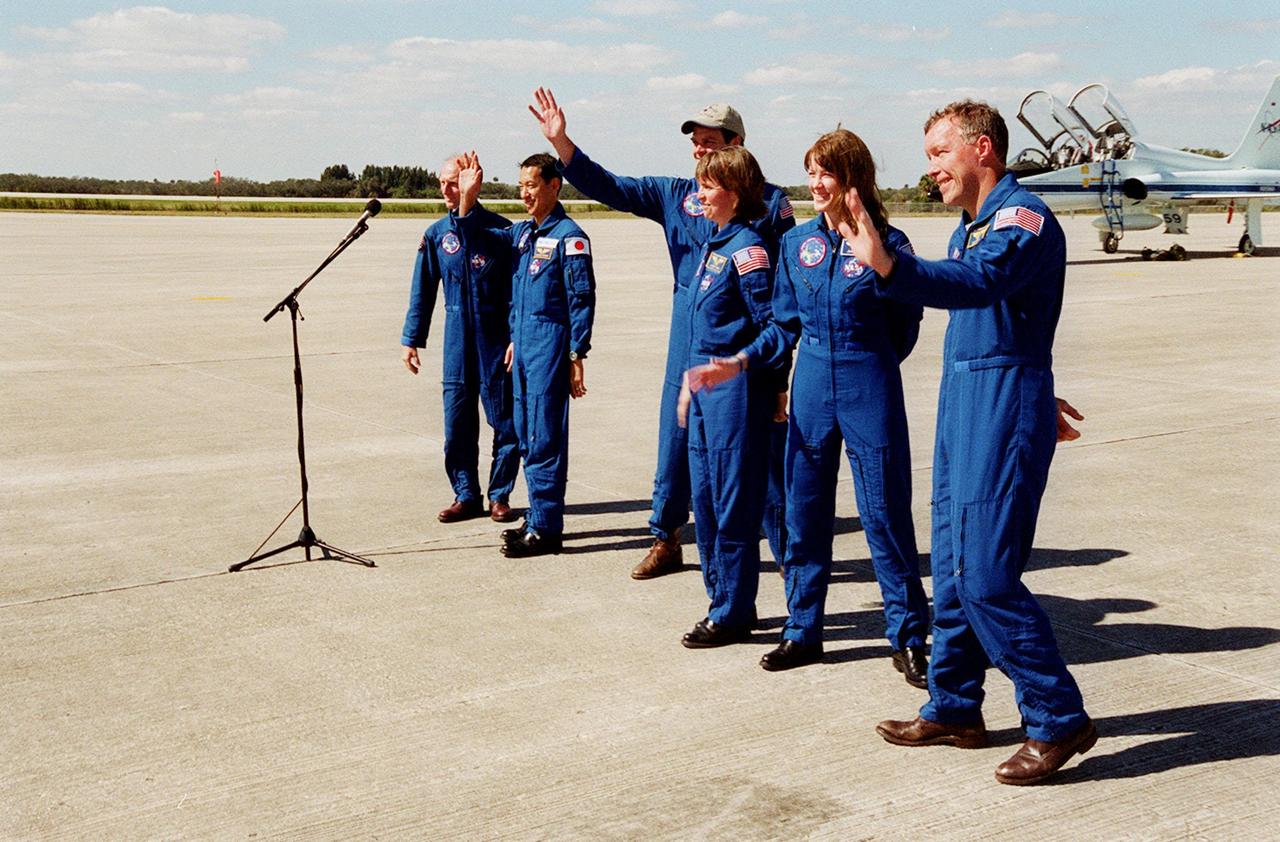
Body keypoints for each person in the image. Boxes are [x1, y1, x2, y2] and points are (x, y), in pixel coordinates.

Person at [839, 100, 1095, 785]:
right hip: (967, 403)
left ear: (982, 150)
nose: (931, 169)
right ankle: (955, 705)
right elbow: (1003, 315)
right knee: (950, 567)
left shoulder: (1022, 219)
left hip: (1000, 407)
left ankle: (1057, 717)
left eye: (938, 153)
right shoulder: (968, 230)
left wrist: (891, 265)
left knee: (985, 575)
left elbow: (982, 285)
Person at [687, 129, 930, 682]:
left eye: (826, 173)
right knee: (804, 514)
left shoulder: (891, 244)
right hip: (813, 387)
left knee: (885, 513)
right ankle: (803, 629)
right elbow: (782, 327)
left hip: (870, 382)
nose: (815, 184)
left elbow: (906, 323)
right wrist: (742, 361)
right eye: (811, 172)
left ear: (854, 178)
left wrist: (870, 359)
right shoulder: (797, 246)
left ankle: (908, 635)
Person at [529, 87, 795, 581]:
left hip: (741, 343)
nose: (698, 149)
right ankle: (666, 537)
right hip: (686, 337)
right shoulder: (675, 194)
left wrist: (778, 375)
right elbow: (609, 185)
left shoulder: (771, 203)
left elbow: (780, 290)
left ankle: (786, 554)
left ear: (738, 143)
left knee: (760, 454)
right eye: (694, 142)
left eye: (709, 140)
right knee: (674, 445)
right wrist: (563, 145)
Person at [456, 151, 596, 557]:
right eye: (521, 186)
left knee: (544, 438)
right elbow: (480, 238)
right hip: (523, 347)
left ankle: (548, 529)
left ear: (554, 185)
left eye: (531, 186)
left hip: (550, 347)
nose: (524, 194)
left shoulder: (570, 237)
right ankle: (536, 519)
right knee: (525, 435)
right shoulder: (523, 235)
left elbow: (581, 299)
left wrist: (576, 354)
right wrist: (469, 198)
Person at [672, 146, 780, 647]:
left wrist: (770, 383)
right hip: (702, 390)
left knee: (733, 498)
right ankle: (719, 597)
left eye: (708, 186)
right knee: (706, 497)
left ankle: (735, 609)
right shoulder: (714, 246)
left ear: (733, 194)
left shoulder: (747, 250)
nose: (698, 194)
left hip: (734, 390)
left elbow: (772, 325)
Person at [400, 154, 520, 524]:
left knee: (506, 422)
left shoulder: (502, 231)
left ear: (473, 183)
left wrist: (516, 336)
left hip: (494, 340)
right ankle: (466, 494)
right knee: (457, 424)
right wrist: (411, 339)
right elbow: (423, 291)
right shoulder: (436, 235)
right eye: (442, 182)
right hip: (456, 340)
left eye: (454, 182)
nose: (447, 190)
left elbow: (518, 291)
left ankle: (499, 495)